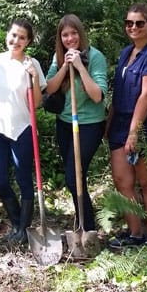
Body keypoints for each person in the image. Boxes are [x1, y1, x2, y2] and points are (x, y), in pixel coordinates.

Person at [107, 3, 147, 247]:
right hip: (119, 122)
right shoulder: (126, 52)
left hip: (145, 125)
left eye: (139, 23)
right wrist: (109, 122)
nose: (133, 27)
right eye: (129, 23)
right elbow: (119, 92)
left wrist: (134, 132)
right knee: (123, 180)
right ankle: (134, 233)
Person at [45, 14, 108, 232]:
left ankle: (88, 227)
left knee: (74, 177)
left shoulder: (96, 57)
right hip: (65, 122)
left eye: (74, 33)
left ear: (81, 34)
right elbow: (49, 88)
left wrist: (80, 67)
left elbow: (98, 96)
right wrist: (65, 66)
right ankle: (82, 222)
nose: (70, 38)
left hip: (89, 124)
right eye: (65, 34)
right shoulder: (58, 56)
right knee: (74, 176)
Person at [0, 18, 46, 244]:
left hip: (22, 128)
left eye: (22, 37)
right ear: (7, 35)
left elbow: (37, 102)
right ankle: (15, 222)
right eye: (13, 35)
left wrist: (32, 76)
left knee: (23, 179)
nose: (16, 40)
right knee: (0, 180)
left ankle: (23, 228)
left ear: (28, 41)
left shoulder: (32, 65)